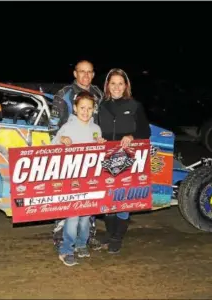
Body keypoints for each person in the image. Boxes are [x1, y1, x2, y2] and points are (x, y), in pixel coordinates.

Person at [95, 68, 151, 254]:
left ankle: (117, 238)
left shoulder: (135, 105)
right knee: (108, 201)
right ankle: (111, 235)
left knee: (123, 200)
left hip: (128, 159)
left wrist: (132, 136)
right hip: (106, 159)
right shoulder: (101, 106)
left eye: (120, 83)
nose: (117, 87)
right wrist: (98, 139)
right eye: (113, 83)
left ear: (126, 85)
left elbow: (146, 132)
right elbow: (96, 131)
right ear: (107, 86)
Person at [51, 60, 103, 250]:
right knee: (68, 202)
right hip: (68, 157)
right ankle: (61, 236)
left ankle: (87, 236)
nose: (85, 75)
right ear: (75, 73)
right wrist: (58, 147)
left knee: (90, 199)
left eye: (89, 72)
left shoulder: (98, 94)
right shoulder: (64, 93)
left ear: (93, 74)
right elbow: (53, 125)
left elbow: (99, 124)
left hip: (90, 158)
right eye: (82, 72)